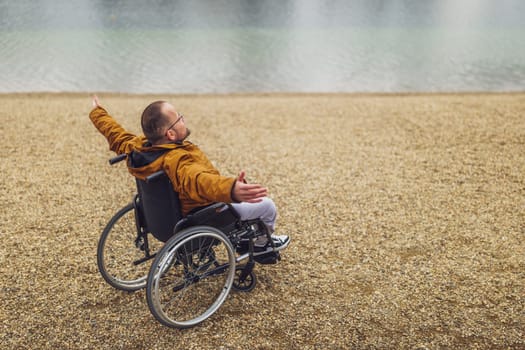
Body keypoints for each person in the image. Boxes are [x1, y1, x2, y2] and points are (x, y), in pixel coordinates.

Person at [89, 95, 289, 249]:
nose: (183, 120)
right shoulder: (177, 159)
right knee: (267, 206)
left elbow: (116, 134)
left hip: (164, 218)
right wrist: (231, 190)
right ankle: (262, 243)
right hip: (200, 214)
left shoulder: (138, 148)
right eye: (179, 119)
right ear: (171, 134)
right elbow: (199, 181)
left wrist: (98, 113)